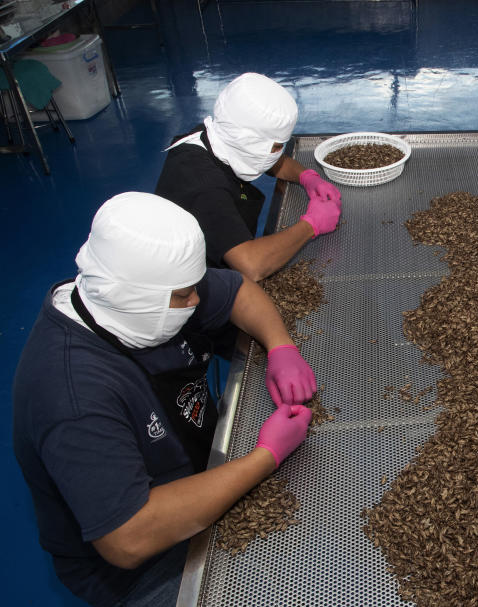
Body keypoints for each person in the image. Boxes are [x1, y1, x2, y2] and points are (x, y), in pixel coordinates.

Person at [12, 193, 319, 606]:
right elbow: (130, 538)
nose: (195, 302)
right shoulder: (71, 397)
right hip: (144, 565)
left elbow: (238, 291)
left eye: (193, 289)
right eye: (182, 296)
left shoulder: (140, 295)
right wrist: (265, 455)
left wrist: (281, 346)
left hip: (199, 468)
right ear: (134, 296)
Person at [155, 72, 341, 282]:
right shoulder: (204, 187)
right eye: (277, 147)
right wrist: (311, 225)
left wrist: (306, 176)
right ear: (251, 143)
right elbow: (252, 265)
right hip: (194, 284)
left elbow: (268, 160)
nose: (279, 153)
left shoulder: (216, 137)